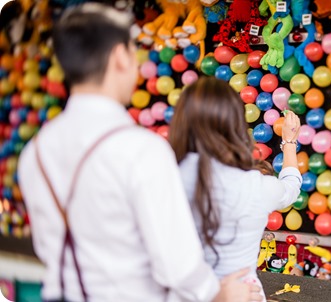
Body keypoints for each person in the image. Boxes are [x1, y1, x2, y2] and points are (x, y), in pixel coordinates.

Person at [18, 4, 262, 302]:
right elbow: (178, 266)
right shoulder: (141, 150)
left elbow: (48, 248)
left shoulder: (35, 152)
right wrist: (218, 295)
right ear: (120, 55)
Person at [168, 77, 302, 300]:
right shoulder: (255, 185)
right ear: (235, 124)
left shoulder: (160, 178)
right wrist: (289, 142)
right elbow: (291, 187)